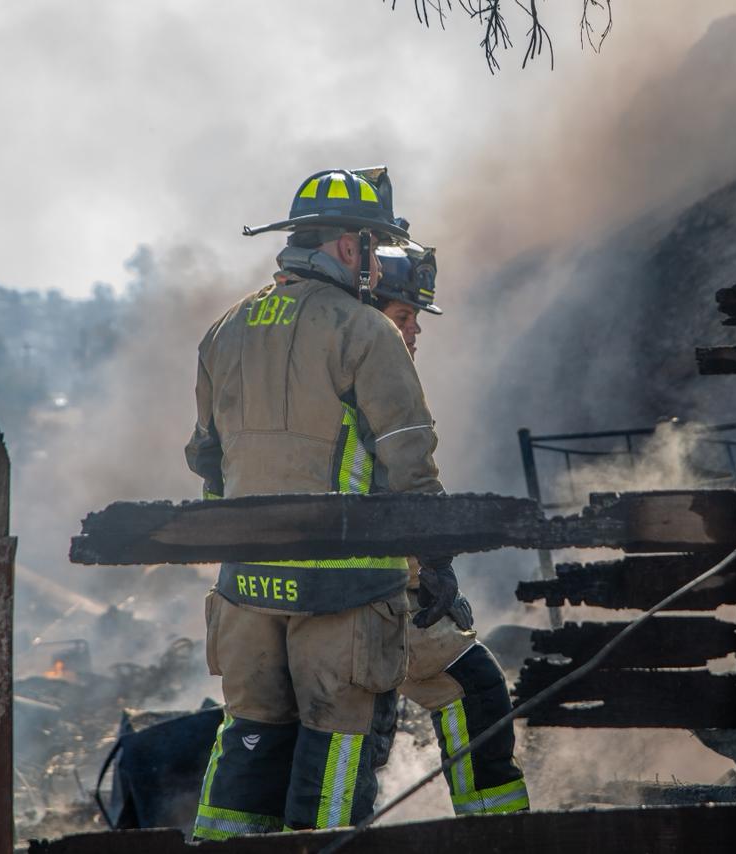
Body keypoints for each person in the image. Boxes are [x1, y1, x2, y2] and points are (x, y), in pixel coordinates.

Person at [185, 168, 460, 838]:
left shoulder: (224, 329)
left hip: (246, 592)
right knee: (334, 755)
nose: (381, 265)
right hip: (345, 595)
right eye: (377, 249)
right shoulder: (365, 330)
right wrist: (437, 561)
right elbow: (409, 460)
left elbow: (207, 461)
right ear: (348, 247)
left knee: (249, 746)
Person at [370, 245, 531, 816]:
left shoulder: (332, 375)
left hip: (375, 588)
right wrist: (433, 570)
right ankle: (494, 832)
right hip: (371, 595)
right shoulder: (372, 382)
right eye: (402, 316)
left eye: (415, 319)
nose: (414, 330)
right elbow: (401, 489)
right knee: (473, 686)